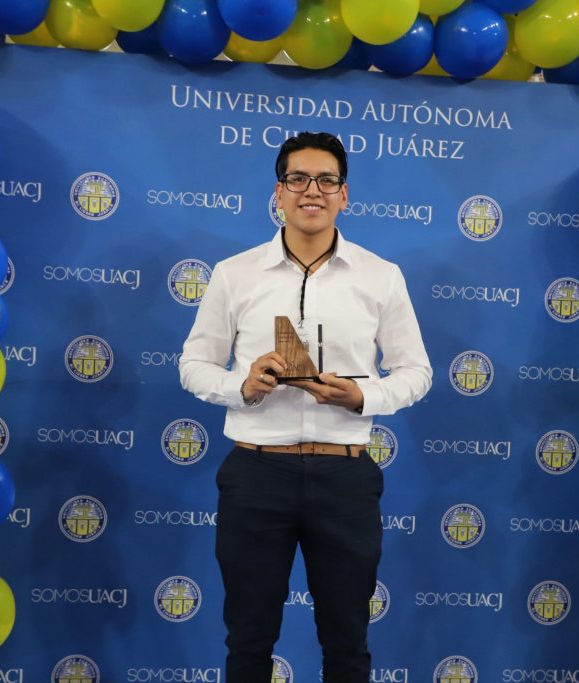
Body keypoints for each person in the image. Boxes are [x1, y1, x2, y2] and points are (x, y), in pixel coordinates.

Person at [179, 132, 432, 683]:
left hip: (345, 477)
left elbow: (417, 372)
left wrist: (362, 396)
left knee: (347, 644)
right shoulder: (234, 273)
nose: (311, 191)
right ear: (278, 192)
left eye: (326, 180)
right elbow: (193, 365)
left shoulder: (380, 276)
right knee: (248, 642)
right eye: (297, 178)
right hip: (256, 472)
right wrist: (243, 386)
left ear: (345, 194)